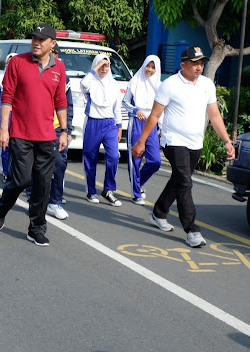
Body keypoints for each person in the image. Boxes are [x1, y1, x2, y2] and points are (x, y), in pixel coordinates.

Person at [132, 46, 234, 247]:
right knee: (185, 183)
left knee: (179, 179)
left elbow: (214, 115)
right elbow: (154, 115)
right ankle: (192, 230)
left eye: (201, 62)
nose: (199, 67)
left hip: (195, 143)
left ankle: (159, 212)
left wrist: (227, 141)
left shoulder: (206, 84)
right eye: (195, 63)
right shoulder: (169, 85)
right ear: (183, 65)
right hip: (173, 140)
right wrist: (141, 141)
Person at [0, 24, 68, 246]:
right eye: (34, 38)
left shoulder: (59, 68)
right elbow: (7, 97)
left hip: (47, 136)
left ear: (52, 44)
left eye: (41, 39)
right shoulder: (18, 62)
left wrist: (64, 131)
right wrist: (4, 129)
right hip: (21, 134)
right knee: (20, 180)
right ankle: (2, 206)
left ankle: (36, 228)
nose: (36, 42)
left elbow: (60, 101)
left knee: (43, 184)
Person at [81, 53, 123, 207]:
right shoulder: (91, 82)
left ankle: (108, 190)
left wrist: (119, 127)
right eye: (101, 65)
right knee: (90, 157)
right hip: (93, 123)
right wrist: (96, 67)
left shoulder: (114, 84)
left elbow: (117, 108)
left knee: (113, 156)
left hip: (110, 124)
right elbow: (84, 84)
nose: (104, 69)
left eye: (107, 65)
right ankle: (91, 191)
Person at [122, 55, 162, 205]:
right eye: (148, 66)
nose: (149, 70)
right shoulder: (135, 81)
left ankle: (138, 182)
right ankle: (136, 193)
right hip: (136, 123)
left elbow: (162, 109)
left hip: (152, 124)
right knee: (136, 159)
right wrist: (136, 110)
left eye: (153, 67)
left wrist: (162, 128)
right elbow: (124, 102)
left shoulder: (160, 86)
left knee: (155, 161)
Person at [45, 44, 74, 220]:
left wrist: (67, 130)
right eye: (51, 53)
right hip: (35, 127)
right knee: (33, 167)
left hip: (55, 129)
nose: (53, 56)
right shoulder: (35, 71)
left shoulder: (63, 76)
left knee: (59, 164)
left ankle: (55, 202)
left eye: (56, 53)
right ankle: (34, 195)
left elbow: (68, 105)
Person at [0, 53, 17, 181]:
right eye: (9, 62)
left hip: (17, 115)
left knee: (17, 145)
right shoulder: (0, 78)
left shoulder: (20, 77)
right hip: (4, 114)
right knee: (5, 144)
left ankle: (15, 171)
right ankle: (5, 171)